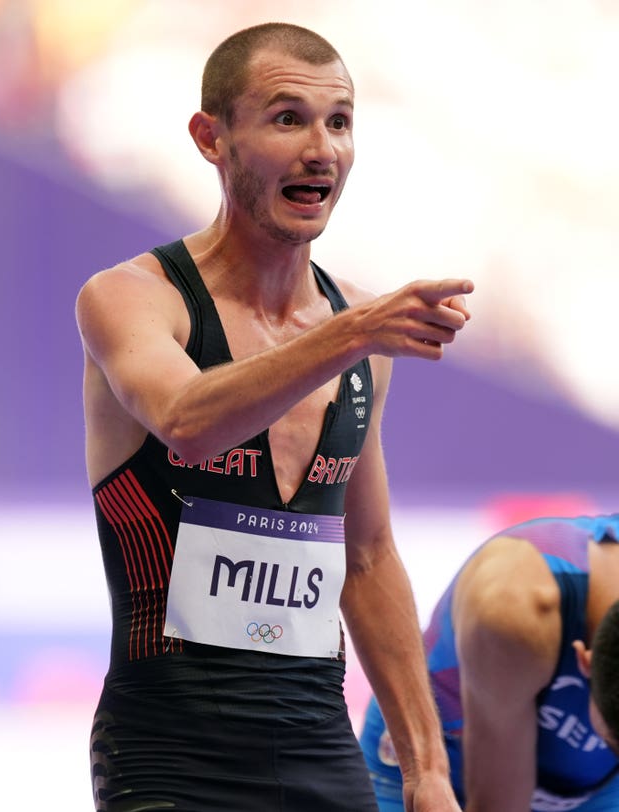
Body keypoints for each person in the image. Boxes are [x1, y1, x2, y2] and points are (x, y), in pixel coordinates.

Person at [76, 21, 474, 812]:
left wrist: (429, 771)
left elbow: (366, 558)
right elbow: (188, 420)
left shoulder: (359, 330)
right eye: (287, 118)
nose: (321, 148)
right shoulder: (132, 298)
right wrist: (351, 332)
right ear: (211, 138)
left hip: (317, 746)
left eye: (340, 121)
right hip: (167, 752)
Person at [359, 514, 619, 811]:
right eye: (613, 744)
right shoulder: (514, 609)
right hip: (446, 763)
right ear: (586, 662)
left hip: (594, 785)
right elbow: (496, 804)